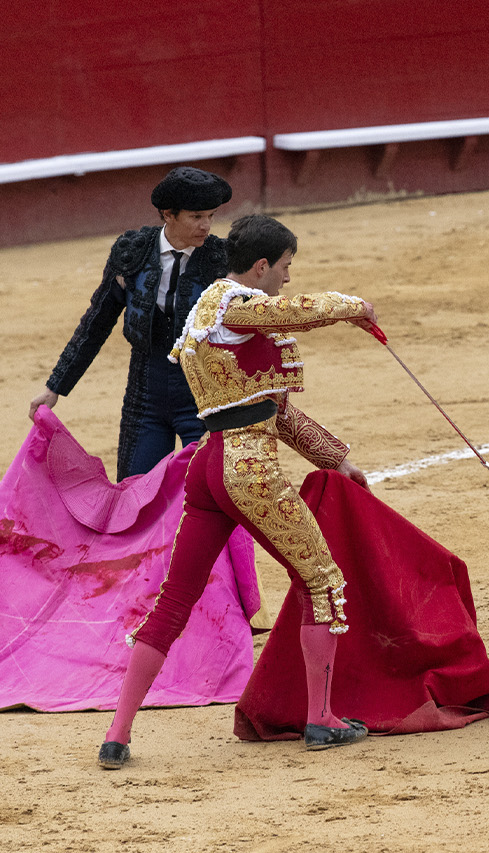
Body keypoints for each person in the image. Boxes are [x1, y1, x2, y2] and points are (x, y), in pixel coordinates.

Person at [98, 213, 378, 769]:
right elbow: (293, 311)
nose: (287, 279)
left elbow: (273, 411)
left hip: (209, 464)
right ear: (261, 265)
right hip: (247, 469)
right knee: (323, 582)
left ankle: (117, 735)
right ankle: (321, 719)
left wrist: (336, 459)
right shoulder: (236, 305)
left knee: (174, 600)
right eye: (285, 266)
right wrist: (355, 306)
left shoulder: (210, 310)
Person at [29, 166, 233, 480]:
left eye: (211, 216)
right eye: (196, 217)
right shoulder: (132, 253)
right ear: (168, 214)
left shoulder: (223, 259)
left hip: (206, 395)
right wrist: (55, 386)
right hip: (145, 394)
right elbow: (96, 322)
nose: (206, 225)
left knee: (210, 492)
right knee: (135, 493)